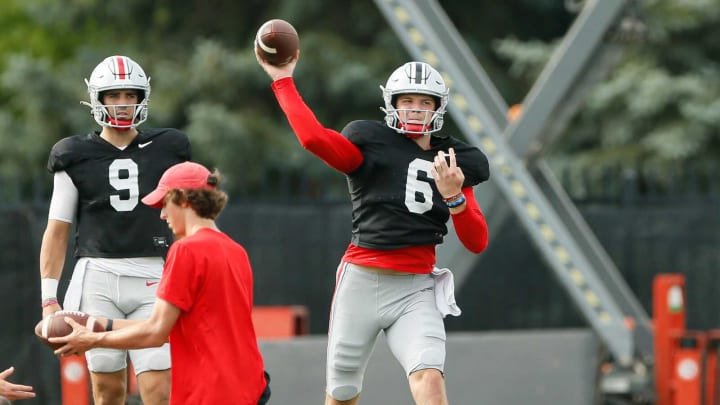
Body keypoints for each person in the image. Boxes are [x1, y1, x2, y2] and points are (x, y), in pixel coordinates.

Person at [256, 48, 490, 405]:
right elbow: (314, 139)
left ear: (438, 108)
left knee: (429, 378)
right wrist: (282, 79)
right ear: (391, 104)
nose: (414, 108)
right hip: (362, 281)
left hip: (416, 287)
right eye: (407, 99)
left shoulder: (455, 161)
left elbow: (477, 241)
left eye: (424, 101)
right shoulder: (370, 142)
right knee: (343, 393)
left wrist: (455, 197)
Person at [51, 162, 271, 405]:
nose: (162, 215)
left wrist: (93, 340)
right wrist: (103, 324)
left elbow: (157, 332)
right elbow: (179, 327)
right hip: (248, 387)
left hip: (209, 391)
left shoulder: (185, 250)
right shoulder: (236, 251)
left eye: (164, 204)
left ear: (184, 199)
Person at [38, 55, 191, 405]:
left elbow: (187, 220)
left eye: (129, 94)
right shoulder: (73, 154)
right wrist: (49, 299)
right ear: (97, 98)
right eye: (113, 95)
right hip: (99, 276)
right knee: (108, 391)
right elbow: (57, 230)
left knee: (158, 388)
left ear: (142, 97)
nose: (122, 104)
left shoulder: (170, 147)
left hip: (154, 274)